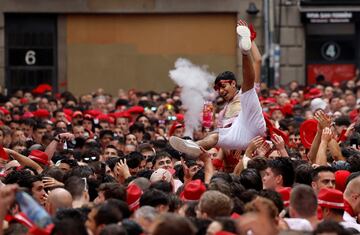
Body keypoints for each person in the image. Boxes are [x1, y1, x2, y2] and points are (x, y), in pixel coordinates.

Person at [169, 23, 266, 157]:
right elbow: (220, 141)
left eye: (223, 86)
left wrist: (251, 41)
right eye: (218, 89)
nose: (220, 91)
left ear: (233, 83)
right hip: (239, 136)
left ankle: (244, 50)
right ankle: (189, 146)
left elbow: (258, 61)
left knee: (247, 87)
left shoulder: (244, 94)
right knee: (213, 136)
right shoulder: (222, 113)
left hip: (252, 123)